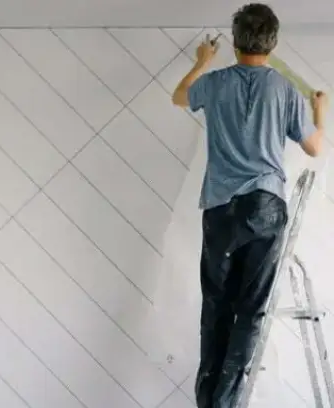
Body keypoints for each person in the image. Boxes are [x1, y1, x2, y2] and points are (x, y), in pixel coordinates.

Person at [172, 3, 328, 408]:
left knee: (216, 308)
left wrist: (202, 62)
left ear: (236, 41)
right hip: (265, 206)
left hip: (221, 209)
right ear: (272, 43)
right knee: (251, 310)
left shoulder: (216, 82)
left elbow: (179, 96)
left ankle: (209, 401)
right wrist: (319, 113)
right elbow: (314, 147)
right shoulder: (284, 90)